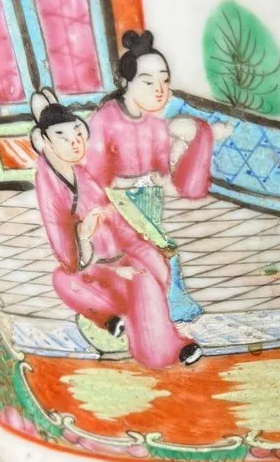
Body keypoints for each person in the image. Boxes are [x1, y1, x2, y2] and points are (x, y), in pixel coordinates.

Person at [30, 88, 202, 369]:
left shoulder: (84, 176)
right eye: (63, 137)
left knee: (144, 278)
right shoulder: (47, 184)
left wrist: (141, 252)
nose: (75, 143)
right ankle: (112, 320)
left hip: (121, 261)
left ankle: (172, 345)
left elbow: (120, 226)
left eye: (78, 135)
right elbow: (66, 253)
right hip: (94, 274)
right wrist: (83, 237)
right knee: (62, 280)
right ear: (43, 140)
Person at [84, 31, 231, 323]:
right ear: (127, 81)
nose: (160, 90)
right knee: (159, 249)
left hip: (148, 196)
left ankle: (155, 304)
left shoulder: (153, 121)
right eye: (148, 82)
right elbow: (95, 172)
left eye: (164, 81)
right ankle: (169, 305)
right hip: (117, 200)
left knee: (151, 249)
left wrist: (193, 140)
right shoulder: (105, 118)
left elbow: (162, 162)